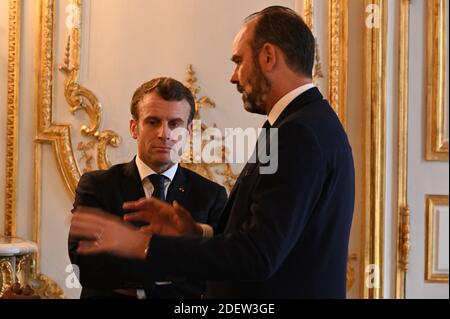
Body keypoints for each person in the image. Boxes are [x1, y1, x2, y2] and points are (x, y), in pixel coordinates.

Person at [70, 6, 355, 298]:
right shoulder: (302, 124)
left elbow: (258, 255)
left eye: (239, 61)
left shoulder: (297, 133)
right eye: (152, 121)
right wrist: (198, 233)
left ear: (268, 56)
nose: (234, 77)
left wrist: (144, 246)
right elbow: (261, 239)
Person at [68, 77, 228, 299]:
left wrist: (134, 266)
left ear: (188, 131)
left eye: (175, 123)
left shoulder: (211, 195)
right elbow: (86, 267)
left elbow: (214, 273)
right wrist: (179, 268)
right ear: (134, 128)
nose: (164, 133)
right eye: (153, 122)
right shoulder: (97, 186)